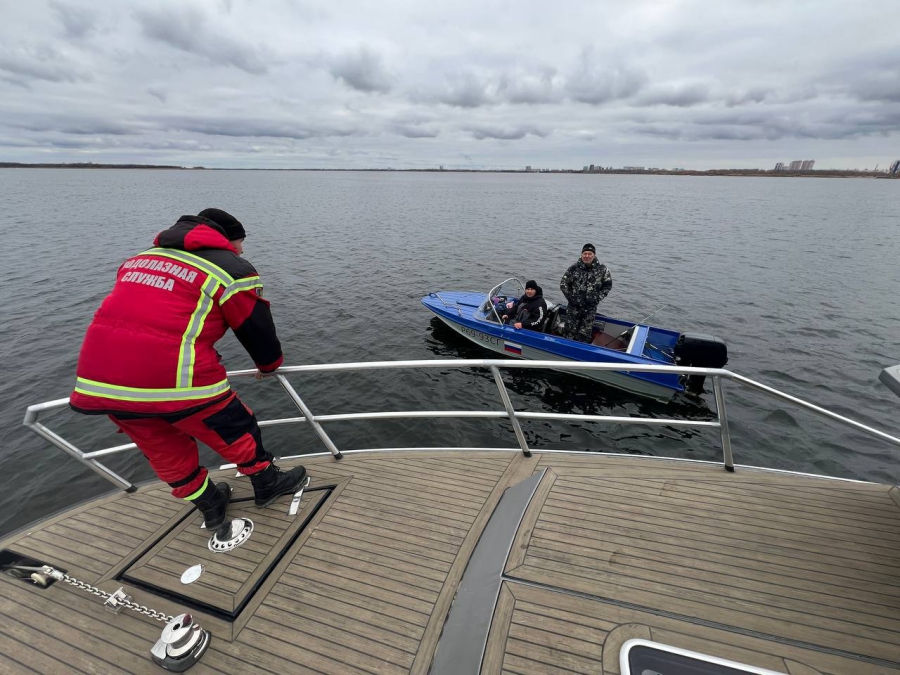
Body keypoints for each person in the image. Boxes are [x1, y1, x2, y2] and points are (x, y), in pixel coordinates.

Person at [70, 208, 307, 532]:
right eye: (240, 242)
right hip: (177, 380)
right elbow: (254, 325)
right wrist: (268, 365)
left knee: (163, 449)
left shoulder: (140, 259)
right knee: (235, 429)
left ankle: (210, 504)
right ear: (226, 238)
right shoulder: (230, 268)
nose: (242, 250)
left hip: (100, 384)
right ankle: (267, 484)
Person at [559, 243, 612, 343]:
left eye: (590, 254)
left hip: (590, 310)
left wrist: (597, 298)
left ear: (594, 255)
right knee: (569, 333)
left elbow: (607, 286)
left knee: (584, 335)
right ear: (581, 254)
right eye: (585, 253)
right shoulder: (573, 268)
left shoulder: (602, 270)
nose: (587, 256)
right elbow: (563, 284)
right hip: (573, 308)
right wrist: (571, 298)